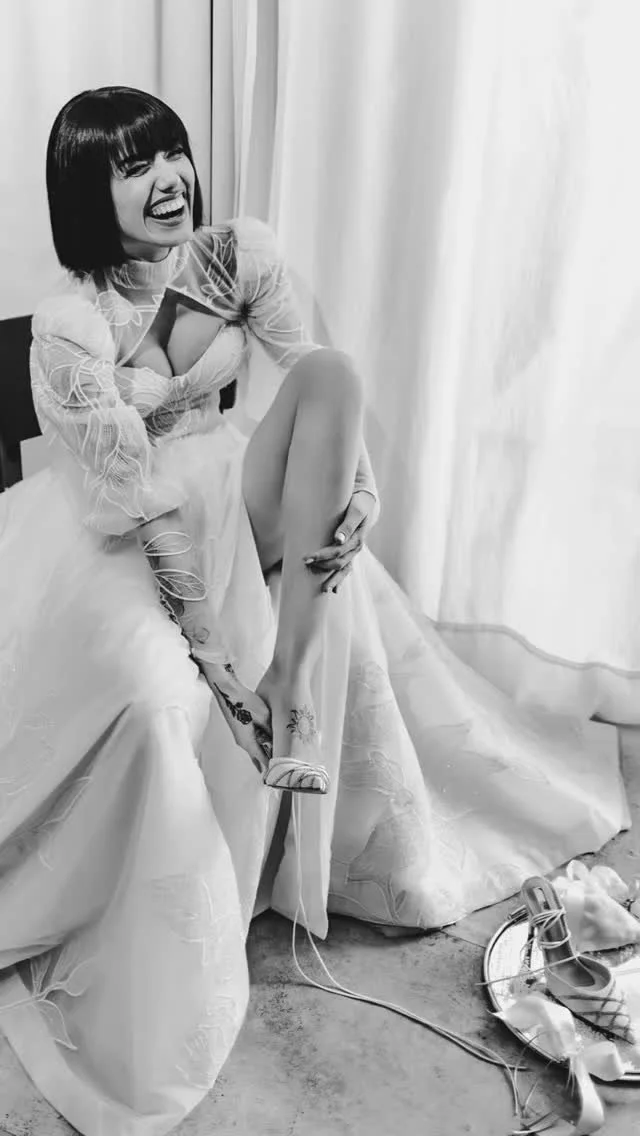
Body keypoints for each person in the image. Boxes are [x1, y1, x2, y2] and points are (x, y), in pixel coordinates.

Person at [0, 86, 628, 1135]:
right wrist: (212, 661)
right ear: (83, 192)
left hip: (229, 481)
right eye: (132, 167)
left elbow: (311, 380)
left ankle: (290, 680)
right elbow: (134, 501)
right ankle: (254, 702)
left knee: (335, 374)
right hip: (125, 526)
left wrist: (357, 493)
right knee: (154, 695)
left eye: (171, 153)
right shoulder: (71, 327)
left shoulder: (233, 256)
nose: (169, 180)